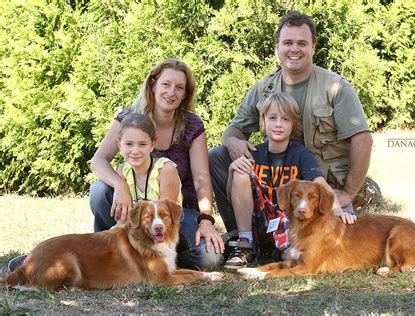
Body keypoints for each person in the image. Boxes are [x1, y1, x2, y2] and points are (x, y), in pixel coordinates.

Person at [209, 11, 373, 236]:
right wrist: (232, 143)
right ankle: (244, 236)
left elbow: (363, 140)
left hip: (320, 185)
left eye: (302, 43)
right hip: (275, 180)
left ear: (313, 47)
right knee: (217, 156)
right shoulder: (264, 88)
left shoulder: (335, 87)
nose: (294, 49)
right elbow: (234, 129)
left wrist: (347, 194)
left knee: (339, 237)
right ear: (277, 47)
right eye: (287, 42)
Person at [89, 58, 224, 270]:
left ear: (185, 94)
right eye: (166, 84)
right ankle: (109, 250)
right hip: (134, 210)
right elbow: (98, 160)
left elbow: (201, 178)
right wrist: (120, 186)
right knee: (99, 191)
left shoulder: (192, 125)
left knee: (210, 257)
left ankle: (156, 257)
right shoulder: (130, 118)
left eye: (179, 88)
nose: (172, 92)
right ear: (153, 84)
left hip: (177, 211)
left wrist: (206, 220)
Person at [223, 93, 355, 269]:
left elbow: (319, 183)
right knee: (240, 171)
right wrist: (233, 170)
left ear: (293, 124)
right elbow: (233, 196)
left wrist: (338, 210)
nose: (278, 124)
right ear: (263, 122)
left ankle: (280, 252)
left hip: (286, 221)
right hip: (258, 220)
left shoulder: (301, 154)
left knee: (294, 259)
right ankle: (246, 244)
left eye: (285, 119)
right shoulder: (253, 153)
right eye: (272, 118)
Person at [116, 113, 181, 210]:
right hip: (134, 223)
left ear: (152, 145)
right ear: (120, 145)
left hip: (162, 223)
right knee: (99, 189)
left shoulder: (165, 169)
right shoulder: (122, 170)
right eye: (129, 144)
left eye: (142, 144)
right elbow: (122, 218)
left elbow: (165, 216)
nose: (135, 151)